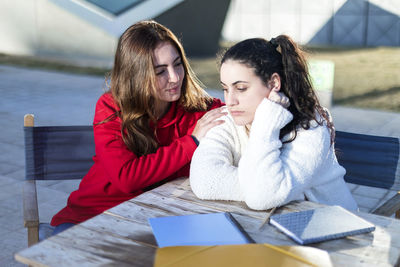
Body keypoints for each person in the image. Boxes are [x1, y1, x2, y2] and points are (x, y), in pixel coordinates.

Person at [51, 20, 225, 234]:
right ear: (136, 74)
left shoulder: (198, 110)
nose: (174, 77)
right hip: (95, 215)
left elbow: (244, 111)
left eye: (177, 64)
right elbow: (127, 178)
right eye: (160, 71)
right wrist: (192, 142)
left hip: (158, 218)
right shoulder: (111, 107)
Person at [189, 36, 358, 211]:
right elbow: (204, 181)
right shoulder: (228, 118)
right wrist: (264, 187)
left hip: (333, 226)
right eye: (225, 88)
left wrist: (266, 122)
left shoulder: (311, 128)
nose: (230, 101)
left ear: (274, 83)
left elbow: (260, 197)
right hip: (271, 226)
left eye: (241, 88)